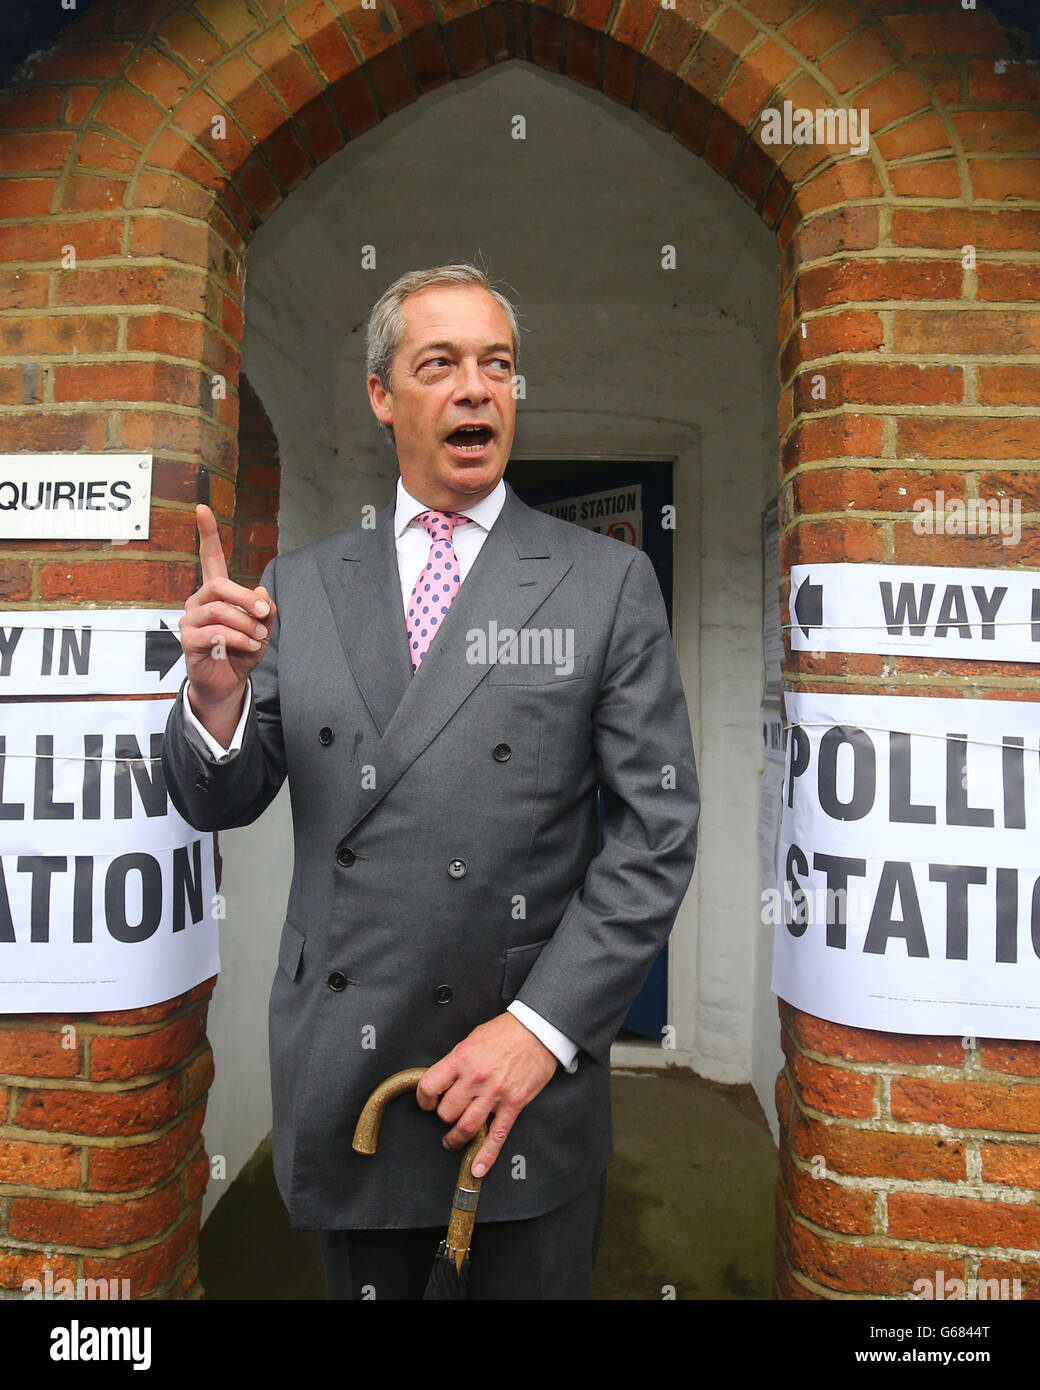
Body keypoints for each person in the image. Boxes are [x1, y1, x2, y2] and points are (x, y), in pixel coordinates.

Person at [161, 263, 699, 1299]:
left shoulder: (602, 583)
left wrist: (539, 1032)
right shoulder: (303, 588)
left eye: (497, 365)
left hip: (518, 1083)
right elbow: (217, 798)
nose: (475, 388)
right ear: (381, 395)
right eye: (439, 363)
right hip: (349, 1078)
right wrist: (216, 705)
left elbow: (656, 830)